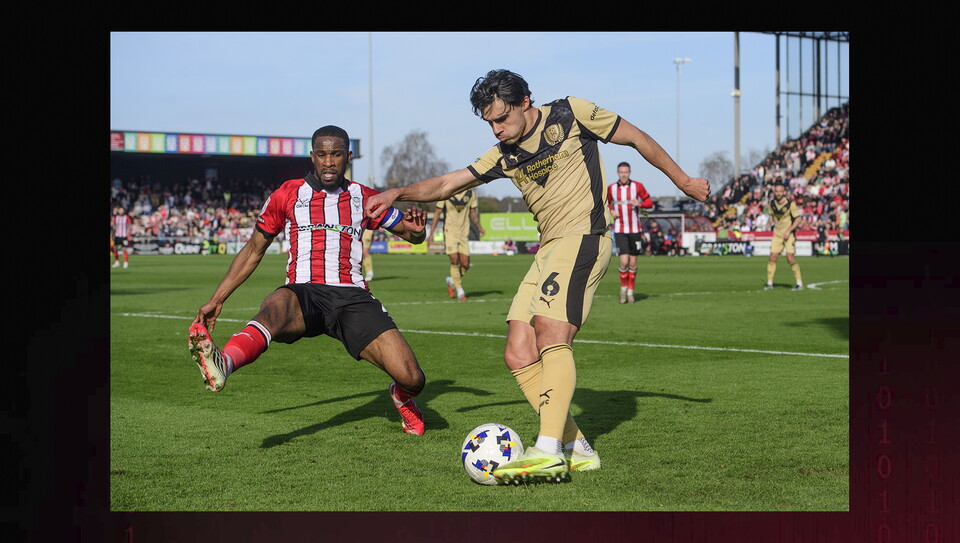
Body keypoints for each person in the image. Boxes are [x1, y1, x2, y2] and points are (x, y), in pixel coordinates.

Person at [364, 69, 710, 483]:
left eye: (502, 118)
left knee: (551, 332)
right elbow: (448, 181)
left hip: (584, 237)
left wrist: (683, 180)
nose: (497, 129)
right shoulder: (502, 153)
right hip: (549, 249)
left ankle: (546, 450)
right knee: (518, 348)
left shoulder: (572, 113)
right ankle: (576, 447)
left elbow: (636, 137)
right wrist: (393, 193)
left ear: (525, 101)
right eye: (490, 122)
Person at [188, 125, 430, 436]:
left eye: (336, 154)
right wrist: (217, 298)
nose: (329, 162)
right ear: (312, 157)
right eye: (322, 154)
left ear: (348, 157)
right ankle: (224, 363)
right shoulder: (287, 193)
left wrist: (419, 230)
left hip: (351, 296)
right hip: (303, 293)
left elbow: (411, 234)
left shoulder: (364, 197)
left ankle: (400, 396)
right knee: (275, 308)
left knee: (413, 378)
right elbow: (253, 250)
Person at [426, 188, 486, 301]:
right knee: (454, 260)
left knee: (465, 264)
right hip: (450, 232)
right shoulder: (446, 193)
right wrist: (431, 234)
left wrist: (479, 227)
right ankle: (460, 291)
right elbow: (437, 213)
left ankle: (452, 280)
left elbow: (472, 212)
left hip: (464, 233)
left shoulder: (470, 194)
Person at [607, 161, 653, 304]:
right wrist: (611, 210)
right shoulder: (612, 188)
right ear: (618, 173)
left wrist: (640, 204)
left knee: (633, 263)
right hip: (620, 229)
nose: (624, 175)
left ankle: (630, 292)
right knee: (624, 261)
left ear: (630, 173)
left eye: (626, 172)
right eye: (621, 172)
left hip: (635, 230)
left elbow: (649, 203)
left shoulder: (637, 187)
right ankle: (623, 290)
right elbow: (605, 202)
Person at [764, 183, 804, 290]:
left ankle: (799, 283)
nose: (778, 193)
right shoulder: (772, 204)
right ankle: (769, 283)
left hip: (788, 234)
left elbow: (798, 219)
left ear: (784, 192)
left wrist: (789, 230)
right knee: (772, 257)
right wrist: (769, 223)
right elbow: (772, 216)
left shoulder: (790, 204)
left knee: (790, 257)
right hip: (777, 234)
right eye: (776, 191)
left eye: (780, 191)